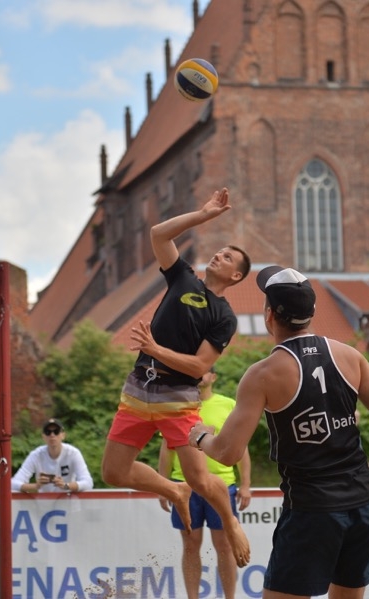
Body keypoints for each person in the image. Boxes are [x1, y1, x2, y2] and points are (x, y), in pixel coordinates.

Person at [189, 265, 369, 599]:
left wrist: (200, 436)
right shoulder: (350, 356)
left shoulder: (263, 374)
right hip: (362, 507)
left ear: (269, 315)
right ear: (313, 312)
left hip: (311, 511)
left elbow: (227, 452)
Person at [101, 187, 252, 567]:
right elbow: (158, 234)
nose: (219, 254)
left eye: (228, 257)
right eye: (220, 250)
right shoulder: (183, 278)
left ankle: (230, 521)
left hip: (178, 397)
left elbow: (199, 367)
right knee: (113, 472)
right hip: (139, 388)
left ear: (235, 275)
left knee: (202, 479)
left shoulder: (224, 316)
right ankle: (174, 490)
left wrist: (156, 350)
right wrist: (203, 214)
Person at [158, 367, 252, 599]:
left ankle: (230, 597)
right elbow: (167, 449)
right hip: (184, 485)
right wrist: (163, 486)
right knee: (191, 545)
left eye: (205, 371)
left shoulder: (227, 404)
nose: (200, 375)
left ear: (213, 377)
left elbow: (240, 446)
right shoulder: (177, 406)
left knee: (225, 545)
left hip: (221, 484)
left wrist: (246, 484)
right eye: (194, 372)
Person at [11, 419, 93, 494]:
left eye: (56, 431)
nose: (52, 435)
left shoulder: (73, 453)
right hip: (43, 506)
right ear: (43, 436)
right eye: (48, 432)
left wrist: (65, 486)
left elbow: (88, 483)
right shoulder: (36, 455)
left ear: (63, 435)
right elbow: (13, 483)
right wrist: (36, 486)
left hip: (68, 504)